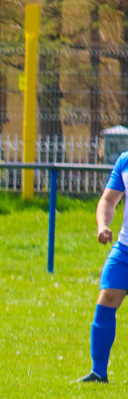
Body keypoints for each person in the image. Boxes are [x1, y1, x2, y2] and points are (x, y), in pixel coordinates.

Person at [76, 151, 128, 384]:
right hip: (125, 248)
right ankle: (98, 373)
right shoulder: (125, 161)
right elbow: (108, 200)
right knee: (106, 298)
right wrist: (102, 225)